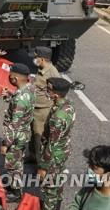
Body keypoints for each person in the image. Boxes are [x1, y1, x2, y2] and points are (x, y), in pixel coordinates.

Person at [38, 77, 75, 210]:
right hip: (63, 150)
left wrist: (43, 166)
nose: (47, 92)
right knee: (57, 181)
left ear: (55, 94)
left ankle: (50, 206)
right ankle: (56, 204)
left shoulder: (58, 117)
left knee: (50, 186)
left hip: (54, 155)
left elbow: (52, 144)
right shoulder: (68, 106)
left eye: (49, 90)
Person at [0, 63, 35, 202]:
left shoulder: (21, 98)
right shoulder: (28, 88)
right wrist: (10, 96)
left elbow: (14, 124)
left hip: (16, 136)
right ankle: (14, 186)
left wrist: (5, 143)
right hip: (23, 132)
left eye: (11, 76)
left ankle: (15, 192)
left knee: (14, 164)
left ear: (15, 78)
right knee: (17, 162)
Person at [29, 46, 60, 165]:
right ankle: (32, 156)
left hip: (43, 110)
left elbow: (59, 92)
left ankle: (40, 164)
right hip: (35, 107)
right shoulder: (41, 68)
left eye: (36, 57)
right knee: (33, 134)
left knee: (39, 137)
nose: (34, 59)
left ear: (41, 59)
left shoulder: (52, 73)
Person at [68, 145, 110, 210]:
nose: (89, 169)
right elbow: (79, 200)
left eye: (94, 168)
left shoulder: (107, 207)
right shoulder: (100, 181)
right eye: (89, 164)